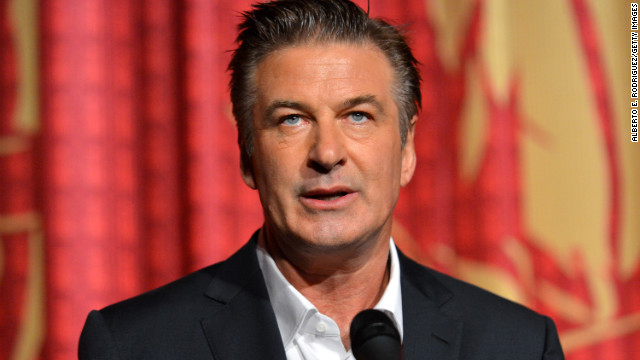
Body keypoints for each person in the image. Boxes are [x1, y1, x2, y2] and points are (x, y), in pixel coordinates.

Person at [79, 0, 565, 359]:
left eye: (357, 116)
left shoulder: (516, 345)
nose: (327, 154)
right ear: (247, 154)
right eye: (292, 119)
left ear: (406, 149)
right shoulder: (134, 346)